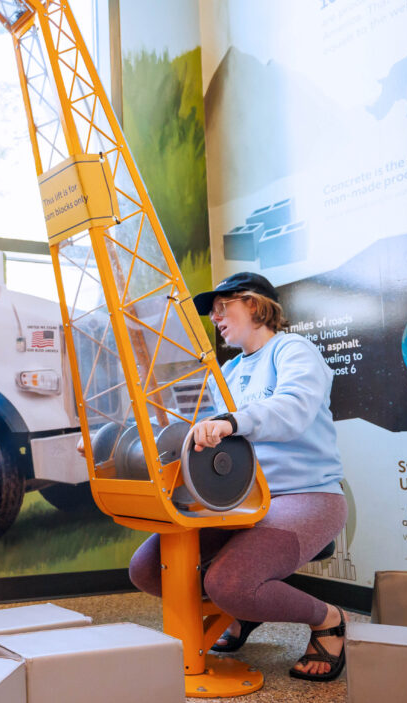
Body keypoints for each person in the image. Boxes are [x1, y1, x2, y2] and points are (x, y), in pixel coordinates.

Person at [128, 271, 349, 681]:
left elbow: (293, 408)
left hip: (306, 495)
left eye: (221, 307)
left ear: (254, 304)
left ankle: (328, 619)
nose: (214, 317)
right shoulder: (227, 371)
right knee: (147, 569)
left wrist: (232, 421)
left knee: (230, 583)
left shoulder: (293, 350)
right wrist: (120, 440)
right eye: (212, 311)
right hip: (241, 499)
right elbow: (192, 426)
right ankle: (241, 613)